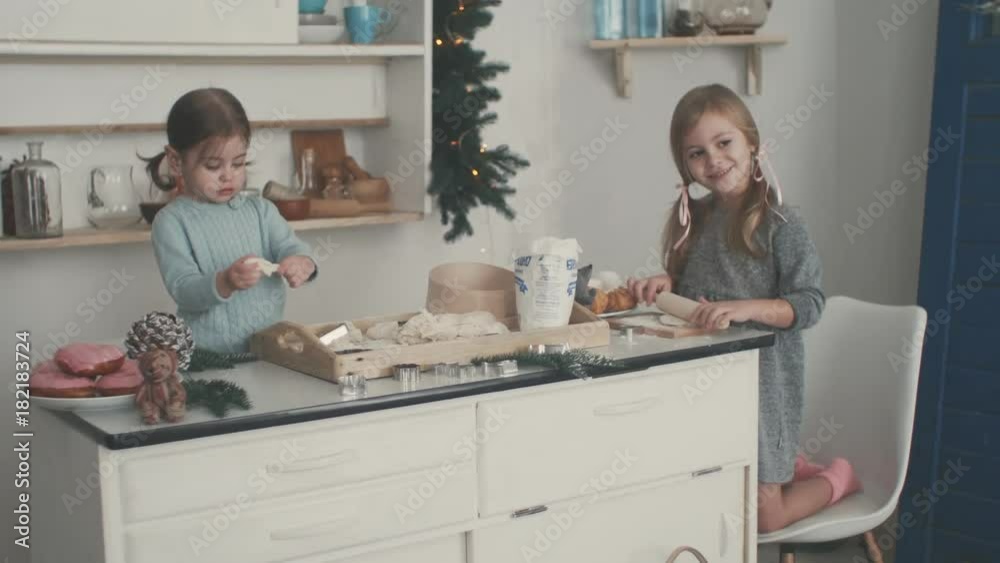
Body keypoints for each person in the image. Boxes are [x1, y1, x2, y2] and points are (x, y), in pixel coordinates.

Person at [627, 84, 859, 533]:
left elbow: (808, 305)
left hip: (763, 386)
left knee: (765, 519)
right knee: (706, 491)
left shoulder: (782, 224)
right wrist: (665, 283)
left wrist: (744, 308)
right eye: (696, 153)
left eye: (724, 143)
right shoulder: (689, 221)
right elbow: (690, 292)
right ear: (685, 164)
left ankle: (835, 478)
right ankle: (788, 468)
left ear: (752, 141)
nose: (713, 160)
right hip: (704, 384)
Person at [145, 87, 318, 354]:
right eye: (213, 166)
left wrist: (301, 262)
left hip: (269, 351)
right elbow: (184, 289)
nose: (228, 176)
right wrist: (224, 282)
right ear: (176, 161)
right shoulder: (172, 223)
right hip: (207, 358)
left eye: (238, 163)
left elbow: (290, 246)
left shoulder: (261, 211)